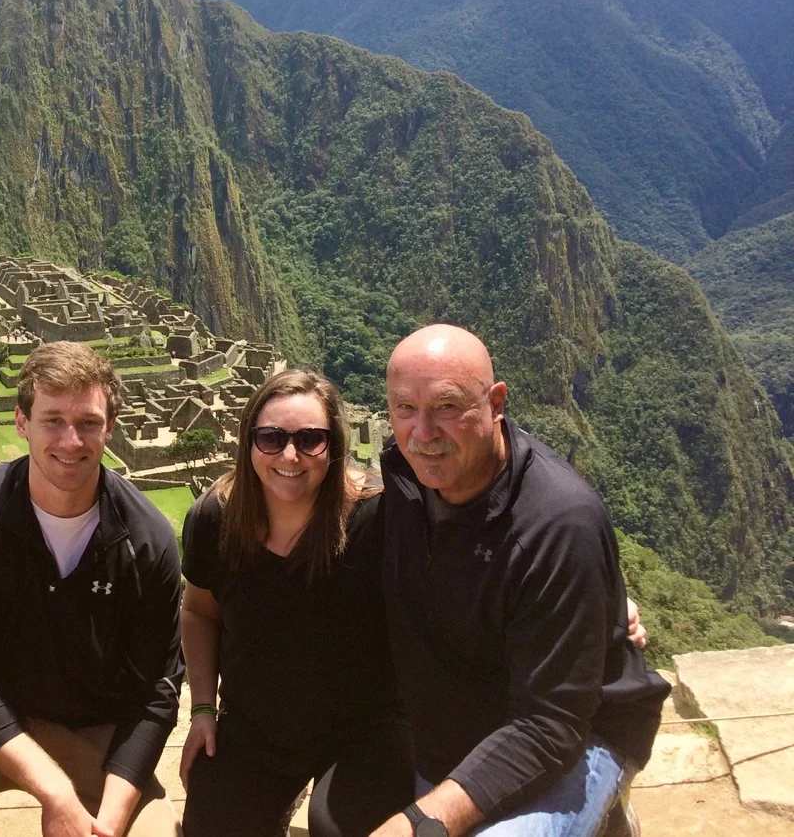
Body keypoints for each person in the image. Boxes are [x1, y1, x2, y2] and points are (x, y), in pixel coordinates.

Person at [370, 325, 669, 837]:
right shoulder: (404, 480)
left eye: (447, 406)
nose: (423, 431)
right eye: (404, 408)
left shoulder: (557, 524)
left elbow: (551, 724)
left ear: (495, 403)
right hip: (458, 731)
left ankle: (602, 807)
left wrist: (422, 820)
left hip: (578, 733)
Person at [0, 341, 183, 837]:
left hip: (94, 732)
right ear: (22, 422)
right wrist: (53, 792)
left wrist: (108, 824)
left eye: (88, 422)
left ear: (110, 428)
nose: (71, 440)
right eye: (53, 420)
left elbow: (155, 691)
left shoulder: (147, 540)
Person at [179, 369, 415, 837]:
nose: (290, 455)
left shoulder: (377, 519)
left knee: (339, 827)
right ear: (249, 442)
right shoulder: (215, 518)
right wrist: (203, 709)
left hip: (364, 726)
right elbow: (198, 610)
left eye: (310, 439)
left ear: (333, 446)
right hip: (255, 723)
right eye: (271, 438)